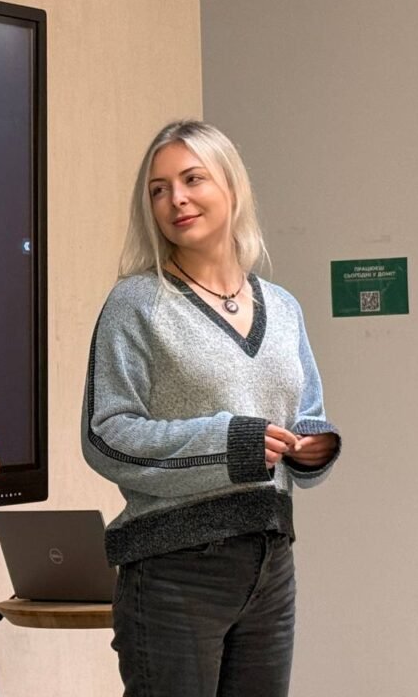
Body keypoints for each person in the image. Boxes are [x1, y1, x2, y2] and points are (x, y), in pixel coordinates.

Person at [82, 120, 341, 697]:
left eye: (192, 179)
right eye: (158, 189)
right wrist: (231, 444)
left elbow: (306, 411)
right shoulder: (136, 302)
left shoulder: (283, 306)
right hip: (174, 566)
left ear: (231, 185)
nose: (175, 198)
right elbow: (106, 435)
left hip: (271, 559)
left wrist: (311, 447)